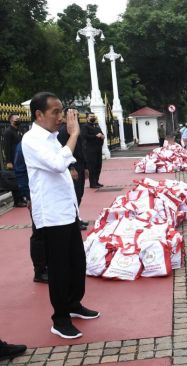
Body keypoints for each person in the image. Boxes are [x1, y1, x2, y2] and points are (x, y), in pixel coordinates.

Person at [22, 92, 100, 339]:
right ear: (39, 114)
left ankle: (73, 304)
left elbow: (61, 164)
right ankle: (60, 318)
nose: (60, 116)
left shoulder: (53, 138)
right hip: (52, 214)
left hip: (67, 212)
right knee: (59, 268)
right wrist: (74, 133)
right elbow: (56, 164)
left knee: (77, 263)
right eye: (55, 112)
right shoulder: (31, 139)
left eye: (60, 111)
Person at [14, 142, 48, 283]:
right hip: (36, 196)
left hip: (51, 194)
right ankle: (39, 271)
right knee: (39, 232)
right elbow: (20, 171)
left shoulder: (51, 140)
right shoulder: (26, 143)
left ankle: (51, 265)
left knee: (52, 232)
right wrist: (28, 196)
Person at [57, 111, 88, 230]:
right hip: (73, 166)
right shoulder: (64, 131)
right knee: (74, 194)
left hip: (80, 164)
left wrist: (85, 167)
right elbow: (65, 151)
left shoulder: (75, 131)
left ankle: (77, 217)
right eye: (72, 115)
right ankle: (74, 220)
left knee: (79, 193)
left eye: (76, 115)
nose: (75, 117)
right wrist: (71, 168)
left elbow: (81, 149)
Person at [2, 113, 27, 208]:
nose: (19, 119)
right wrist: (8, 161)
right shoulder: (8, 132)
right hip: (13, 159)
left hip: (20, 159)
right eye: (17, 118)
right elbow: (6, 147)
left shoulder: (18, 131)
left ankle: (21, 198)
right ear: (11, 120)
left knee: (21, 179)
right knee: (15, 181)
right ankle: (17, 201)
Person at [84, 113, 104, 188]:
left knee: (98, 166)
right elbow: (85, 136)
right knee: (92, 167)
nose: (93, 117)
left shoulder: (96, 125)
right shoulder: (85, 126)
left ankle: (96, 181)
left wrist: (102, 136)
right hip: (90, 150)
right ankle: (92, 183)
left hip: (98, 148)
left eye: (93, 116)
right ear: (87, 118)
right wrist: (95, 136)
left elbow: (102, 134)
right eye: (91, 116)